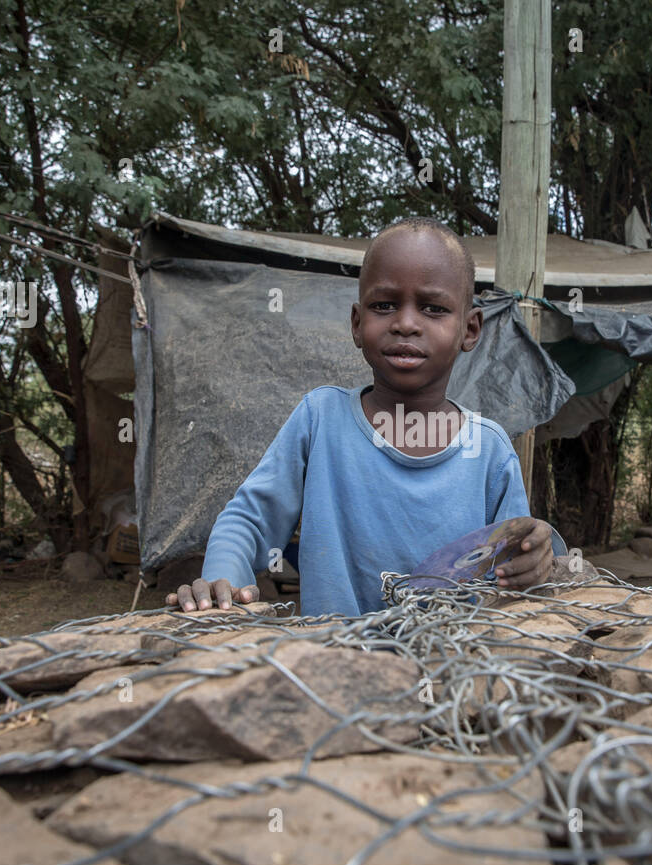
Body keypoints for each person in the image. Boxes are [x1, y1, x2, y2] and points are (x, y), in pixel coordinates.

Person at [166, 217, 566, 617]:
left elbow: (521, 552)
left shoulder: (489, 451)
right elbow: (248, 523)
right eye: (384, 305)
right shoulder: (320, 421)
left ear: (470, 328)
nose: (406, 323)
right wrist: (222, 580)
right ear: (357, 324)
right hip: (337, 669)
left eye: (433, 308)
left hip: (453, 671)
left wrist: (538, 555)